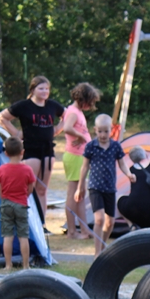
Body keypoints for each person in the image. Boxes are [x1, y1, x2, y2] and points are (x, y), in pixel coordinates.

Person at [0, 76, 65, 220]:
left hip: (47, 149)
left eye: (47, 88)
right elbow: (1, 117)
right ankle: (27, 219)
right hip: (30, 149)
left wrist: (57, 129)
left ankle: (42, 222)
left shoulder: (52, 105)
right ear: (33, 90)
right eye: (41, 88)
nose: (44, 91)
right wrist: (16, 133)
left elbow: (68, 115)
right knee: (29, 188)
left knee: (42, 189)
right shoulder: (24, 105)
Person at [78, 114, 134, 256]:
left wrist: (128, 174)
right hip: (95, 187)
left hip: (109, 188)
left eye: (106, 131)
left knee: (110, 222)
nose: (103, 135)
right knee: (99, 219)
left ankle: (102, 247)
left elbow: (122, 164)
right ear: (95, 130)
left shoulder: (116, 146)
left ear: (111, 130)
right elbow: (84, 167)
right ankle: (97, 253)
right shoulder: (91, 146)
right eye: (100, 131)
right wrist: (80, 187)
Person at [60, 83, 101, 238]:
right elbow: (67, 127)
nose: (91, 106)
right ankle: (72, 231)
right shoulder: (73, 112)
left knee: (80, 195)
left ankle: (84, 229)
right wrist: (82, 136)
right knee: (73, 194)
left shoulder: (77, 111)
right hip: (74, 156)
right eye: (90, 102)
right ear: (83, 99)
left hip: (80, 157)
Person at [0, 137, 37, 271]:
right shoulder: (27, 169)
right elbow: (31, 187)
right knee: (23, 235)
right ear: (22, 152)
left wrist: (3, 198)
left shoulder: (2, 169)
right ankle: (26, 265)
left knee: (7, 236)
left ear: (6, 153)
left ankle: (8, 265)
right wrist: (25, 195)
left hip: (6, 204)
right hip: (21, 204)